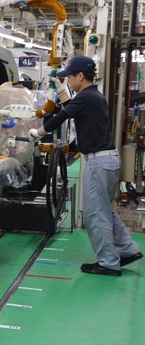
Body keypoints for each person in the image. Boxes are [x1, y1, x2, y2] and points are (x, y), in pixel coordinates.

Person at [29, 55, 142, 276]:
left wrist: (38, 133)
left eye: (70, 77)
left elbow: (62, 115)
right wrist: (62, 89)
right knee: (104, 211)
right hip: (108, 160)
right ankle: (128, 250)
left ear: (80, 76)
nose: (69, 81)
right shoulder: (93, 97)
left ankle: (109, 262)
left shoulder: (87, 97)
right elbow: (72, 107)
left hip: (99, 162)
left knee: (93, 214)